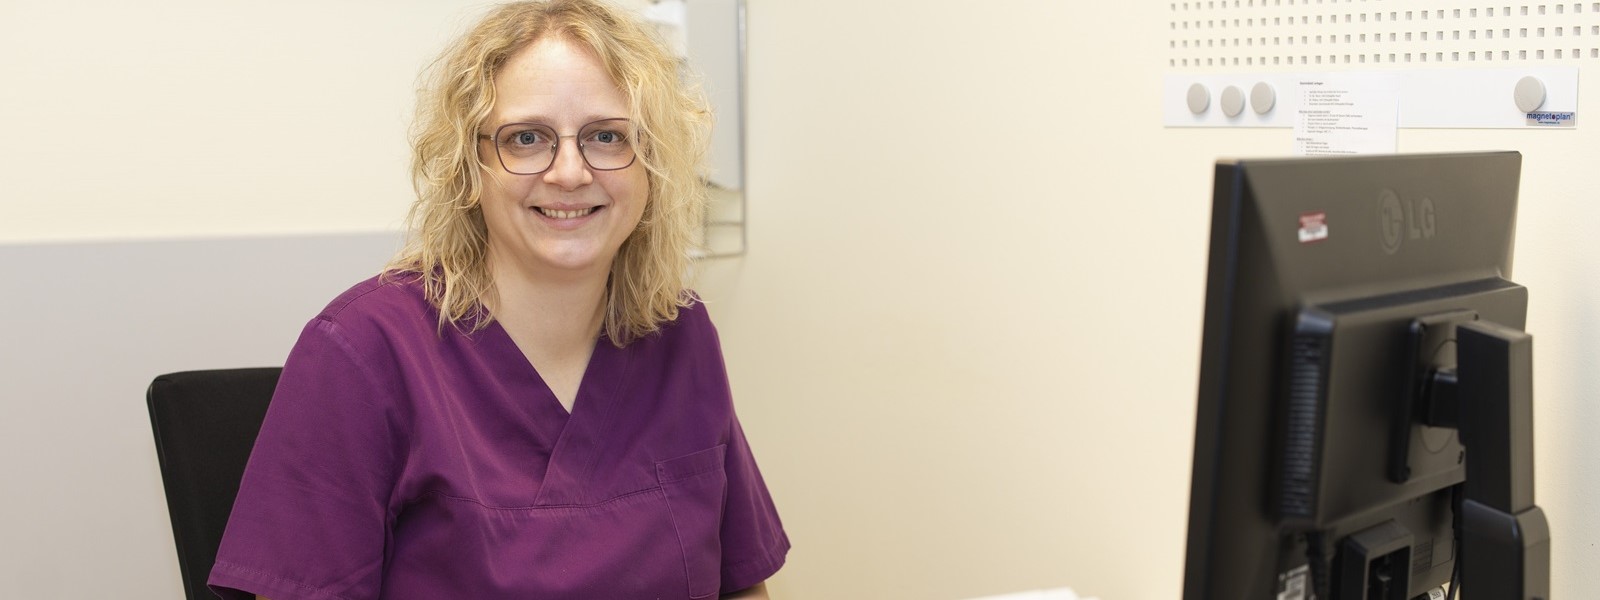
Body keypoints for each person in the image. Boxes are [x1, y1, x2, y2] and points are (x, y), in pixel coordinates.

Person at [207, 1, 788, 598]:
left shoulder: (680, 332)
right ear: (470, 165)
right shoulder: (364, 352)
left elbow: (742, 584)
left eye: (607, 136)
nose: (569, 173)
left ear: (653, 164)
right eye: (527, 138)